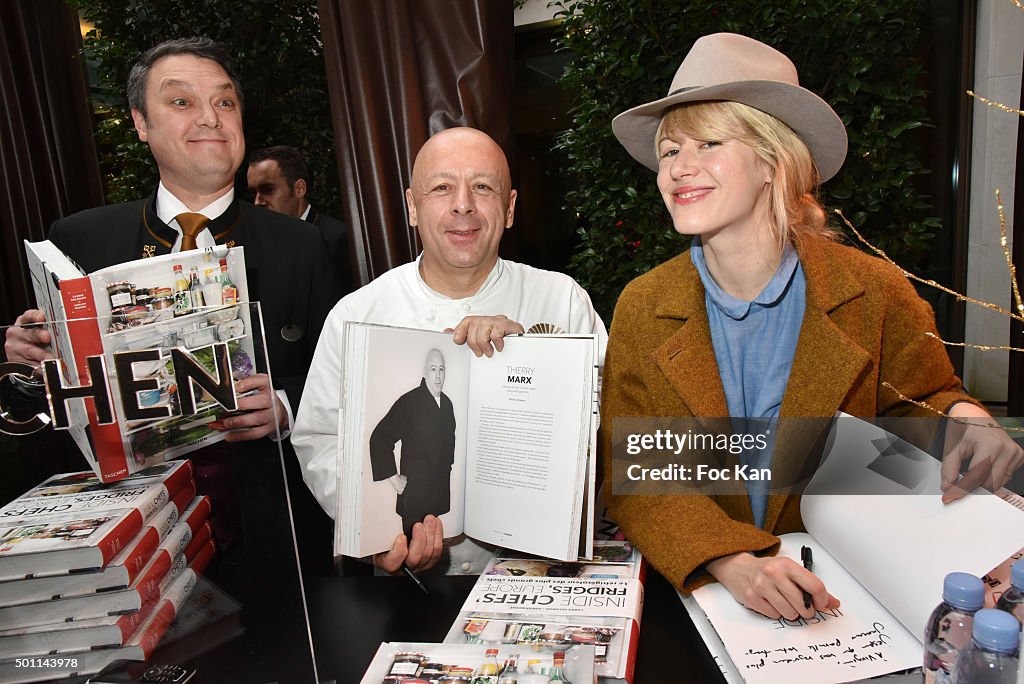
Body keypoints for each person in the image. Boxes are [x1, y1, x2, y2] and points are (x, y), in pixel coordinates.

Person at [602, 33, 1023, 621]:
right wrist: (731, 560)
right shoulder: (644, 305)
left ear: (773, 161)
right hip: (704, 592)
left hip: (848, 590)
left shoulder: (873, 289)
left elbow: (916, 404)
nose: (679, 168)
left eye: (708, 143)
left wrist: (963, 419)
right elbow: (638, 477)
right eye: (669, 151)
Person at [292, 127, 608, 575]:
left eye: (483, 187)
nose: (463, 204)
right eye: (442, 188)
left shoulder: (561, 300)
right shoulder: (358, 314)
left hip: (535, 570)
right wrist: (378, 529)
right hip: (405, 574)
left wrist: (530, 361)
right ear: (412, 207)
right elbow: (321, 440)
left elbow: (604, 435)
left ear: (510, 208)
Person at [4, 37, 341, 439]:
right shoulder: (78, 240)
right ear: (141, 123)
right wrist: (29, 364)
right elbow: (49, 406)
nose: (210, 119)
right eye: (182, 102)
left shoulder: (301, 244)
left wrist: (286, 405)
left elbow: (345, 377)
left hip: (264, 490)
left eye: (224, 103)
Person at [369, 348, 457, 535]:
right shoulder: (409, 402)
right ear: (425, 372)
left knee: (435, 548)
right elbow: (380, 437)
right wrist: (394, 479)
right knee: (413, 551)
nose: (438, 376)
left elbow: (449, 444)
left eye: (442, 369)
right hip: (415, 494)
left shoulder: (447, 404)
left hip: (437, 494)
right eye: (433, 369)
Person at [247, 145, 350, 289]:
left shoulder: (335, 239)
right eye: (253, 193)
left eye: (268, 190)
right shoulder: (259, 245)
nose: (257, 201)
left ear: (299, 189)